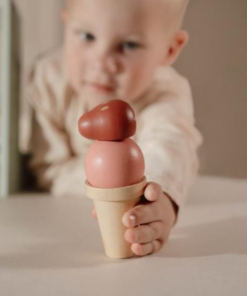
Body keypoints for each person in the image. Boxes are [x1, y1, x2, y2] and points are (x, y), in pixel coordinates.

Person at [20, 0, 203, 257]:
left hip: (133, 214)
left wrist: (161, 201)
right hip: (61, 221)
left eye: (128, 45)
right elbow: (50, 168)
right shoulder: (49, 80)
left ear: (169, 49)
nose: (102, 62)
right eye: (87, 36)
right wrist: (106, 183)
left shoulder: (165, 94)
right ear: (65, 23)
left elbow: (170, 147)